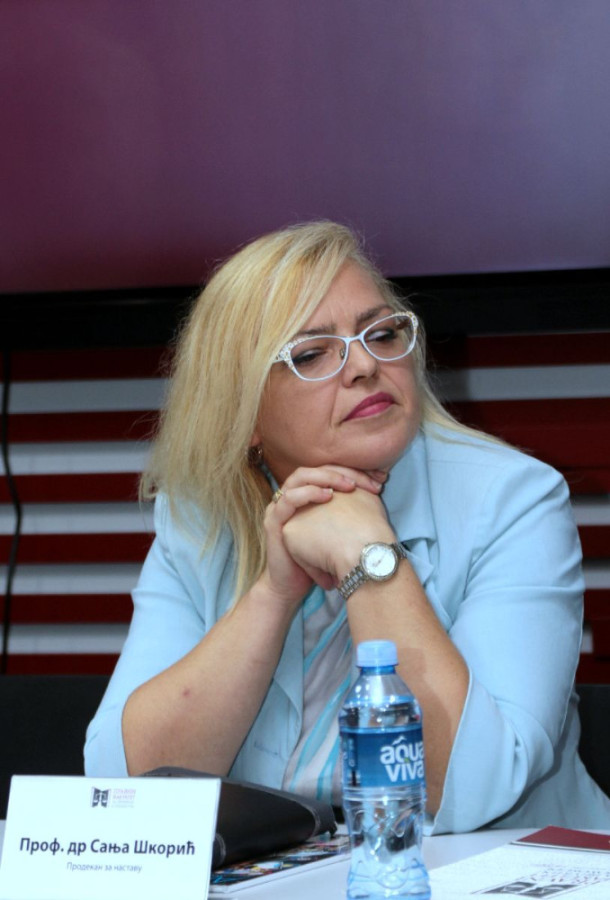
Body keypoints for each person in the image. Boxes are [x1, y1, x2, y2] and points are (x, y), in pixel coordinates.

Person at [85, 221, 610, 832]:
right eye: (311, 353)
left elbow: (472, 789)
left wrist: (369, 554)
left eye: (382, 333)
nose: (364, 364)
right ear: (241, 413)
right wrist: (273, 593)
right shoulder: (198, 517)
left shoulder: (512, 498)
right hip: (290, 869)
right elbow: (125, 790)